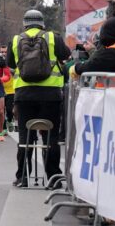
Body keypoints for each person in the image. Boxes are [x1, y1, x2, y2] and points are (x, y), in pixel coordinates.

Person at [8, 10, 70, 187]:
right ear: (42, 23)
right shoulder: (53, 37)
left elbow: (11, 64)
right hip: (50, 94)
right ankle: (53, 178)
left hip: (24, 94)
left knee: (25, 136)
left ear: (25, 23)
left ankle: (22, 177)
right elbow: (65, 55)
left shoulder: (15, 39)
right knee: (50, 136)